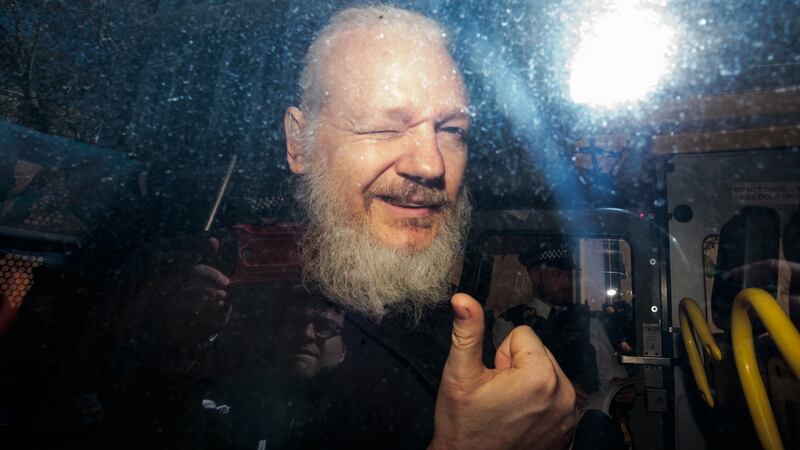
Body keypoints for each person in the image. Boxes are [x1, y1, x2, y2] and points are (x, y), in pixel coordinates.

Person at [187, 5, 576, 450]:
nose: (431, 164)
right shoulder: (209, 319)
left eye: (452, 131)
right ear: (299, 142)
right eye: (383, 127)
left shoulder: (455, 336)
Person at [492, 240, 631, 450]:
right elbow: (509, 389)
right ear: (535, 276)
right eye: (558, 275)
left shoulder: (588, 321)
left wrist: (620, 388)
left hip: (586, 425)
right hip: (535, 432)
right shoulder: (510, 323)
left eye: (569, 275)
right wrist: (557, 390)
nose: (567, 282)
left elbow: (610, 374)